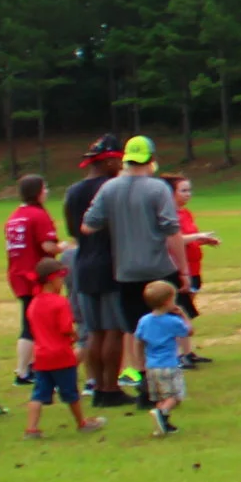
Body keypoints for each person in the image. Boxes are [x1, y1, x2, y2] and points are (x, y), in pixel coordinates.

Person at [84, 134, 185, 397]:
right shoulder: (158, 188)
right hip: (158, 268)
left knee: (137, 329)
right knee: (165, 325)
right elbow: (171, 230)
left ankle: (142, 381)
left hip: (126, 271)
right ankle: (164, 383)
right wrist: (183, 269)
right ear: (151, 159)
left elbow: (88, 225)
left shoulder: (109, 189)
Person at [61, 135, 136, 406]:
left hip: (83, 262)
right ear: (109, 161)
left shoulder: (73, 191)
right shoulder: (114, 188)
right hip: (111, 263)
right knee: (114, 329)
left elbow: (72, 230)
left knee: (94, 331)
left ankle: (96, 386)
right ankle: (110, 388)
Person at [23, 257, 101, 439]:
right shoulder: (59, 302)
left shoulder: (34, 303)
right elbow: (65, 328)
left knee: (38, 395)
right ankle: (82, 422)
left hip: (41, 357)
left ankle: (31, 428)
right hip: (61, 356)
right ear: (53, 279)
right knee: (71, 393)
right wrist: (74, 336)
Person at [2, 174, 61, 386]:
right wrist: (67, 247)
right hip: (34, 274)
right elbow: (48, 246)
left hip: (17, 273)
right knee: (31, 324)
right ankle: (22, 371)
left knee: (29, 319)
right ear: (37, 192)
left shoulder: (15, 215)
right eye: (44, 188)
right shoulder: (38, 215)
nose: (47, 192)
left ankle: (31, 367)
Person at [172, 175, 218, 364]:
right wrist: (198, 236)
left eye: (189, 190)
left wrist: (203, 240)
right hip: (180, 268)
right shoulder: (170, 215)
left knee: (186, 311)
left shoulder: (186, 213)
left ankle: (188, 352)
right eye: (183, 190)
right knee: (178, 311)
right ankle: (177, 355)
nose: (187, 194)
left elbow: (188, 237)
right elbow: (174, 240)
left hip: (194, 267)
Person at [134, 281, 189, 437]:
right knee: (175, 396)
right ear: (167, 301)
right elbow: (188, 331)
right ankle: (162, 412)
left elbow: (138, 341)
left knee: (160, 396)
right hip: (169, 364)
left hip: (151, 366)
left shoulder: (144, 321)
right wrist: (183, 315)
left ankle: (162, 425)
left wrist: (140, 363)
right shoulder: (172, 321)